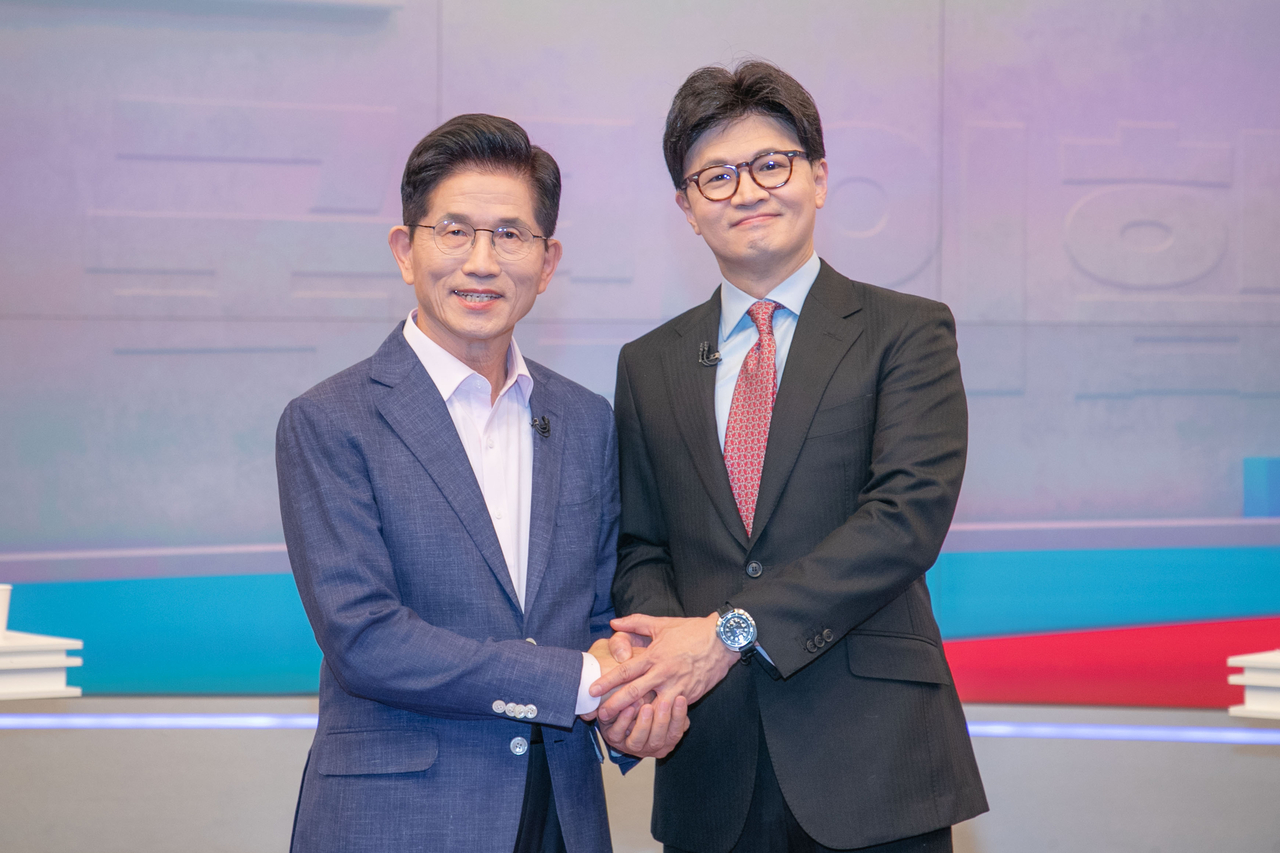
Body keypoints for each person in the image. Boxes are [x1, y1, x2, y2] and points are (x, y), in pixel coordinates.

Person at [592, 62, 988, 852]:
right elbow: (642, 545)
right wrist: (667, 664)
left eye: (771, 164)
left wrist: (730, 631)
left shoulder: (906, 331)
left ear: (818, 177)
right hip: (710, 759)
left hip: (874, 761)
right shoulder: (649, 361)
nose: (746, 191)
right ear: (687, 208)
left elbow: (905, 519)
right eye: (716, 176)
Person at [276, 114, 684, 853]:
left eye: (510, 235)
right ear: (406, 250)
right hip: (397, 821)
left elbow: (598, 616)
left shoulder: (586, 421)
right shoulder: (330, 420)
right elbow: (364, 637)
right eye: (454, 231)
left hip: (560, 816)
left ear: (548, 260)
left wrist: (632, 709)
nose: (481, 261)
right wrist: (579, 682)